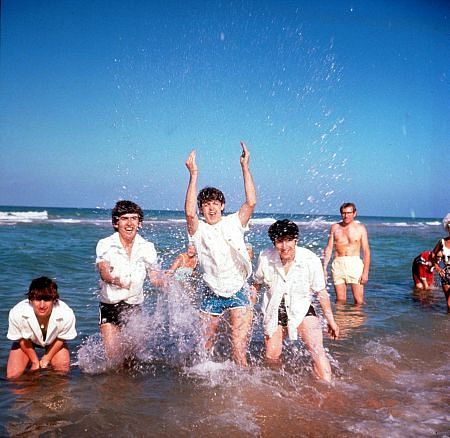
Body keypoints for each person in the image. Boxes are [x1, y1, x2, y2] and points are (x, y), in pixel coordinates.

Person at [184, 141, 256, 366]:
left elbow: (251, 202)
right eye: (206, 205)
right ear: (201, 208)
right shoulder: (199, 229)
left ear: (223, 205)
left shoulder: (234, 222)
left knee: (238, 346)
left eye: (215, 203)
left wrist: (245, 167)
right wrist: (193, 174)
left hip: (237, 290)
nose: (211, 208)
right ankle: (204, 387)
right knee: (205, 345)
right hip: (211, 291)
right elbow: (188, 213)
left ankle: (243, 383)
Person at [252, 220, 339, 382]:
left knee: (317, 350)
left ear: (295, 240)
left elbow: (321, 292)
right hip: (274, 311)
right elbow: (256, 285)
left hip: (302, 308)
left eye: (288, 240)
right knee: (272, 357)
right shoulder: (265, 256)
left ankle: (327, 386)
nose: (284, 246)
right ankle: (278, 390)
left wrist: (331, 321)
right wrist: (249, 310)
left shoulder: (309, 259)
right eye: (279, 241)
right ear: (274, 242)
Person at [96, 200, 164, 363]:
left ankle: (130, 389)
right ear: (116, 222)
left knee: (132, 360)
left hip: (134, 307)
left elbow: (155, 279)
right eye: (124, 218)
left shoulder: (147, 247)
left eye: (134, 218)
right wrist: (112, 279)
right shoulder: (105, 244)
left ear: (139, 223)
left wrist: (168, 280)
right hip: (110, 306)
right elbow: (103, 270)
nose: (129, 223)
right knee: (114, 359)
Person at [6, 276, 77, 379]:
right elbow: (21, 339)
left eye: (47, 299)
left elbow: (61, 338)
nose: (42, 305)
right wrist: (35, 361)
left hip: (55, 340)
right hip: (26, 341)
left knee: (62, 373)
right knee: (13, 377)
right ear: (30, 300)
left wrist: (46, 359)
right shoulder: (17, 312)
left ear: (54, 300)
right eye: (38, 299)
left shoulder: (67, 313)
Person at [322, 202, 371, 304]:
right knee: (340, 300)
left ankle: (357, 320)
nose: (346, 215)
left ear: (354, 213)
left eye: (349, 213)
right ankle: (341, 320)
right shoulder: (335, 227)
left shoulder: (360, 228)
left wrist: (365, 272)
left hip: (354, 263)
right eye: (344, 213)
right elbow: (329, 248)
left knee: (359, 301)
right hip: (338, 263)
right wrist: (324, 268)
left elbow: (366, 251)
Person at [431, 213, 450, 312]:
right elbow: (432, 255)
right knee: (449, 303)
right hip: (445, 274)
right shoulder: (442, 242)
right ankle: (447, 324)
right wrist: (437, 267)